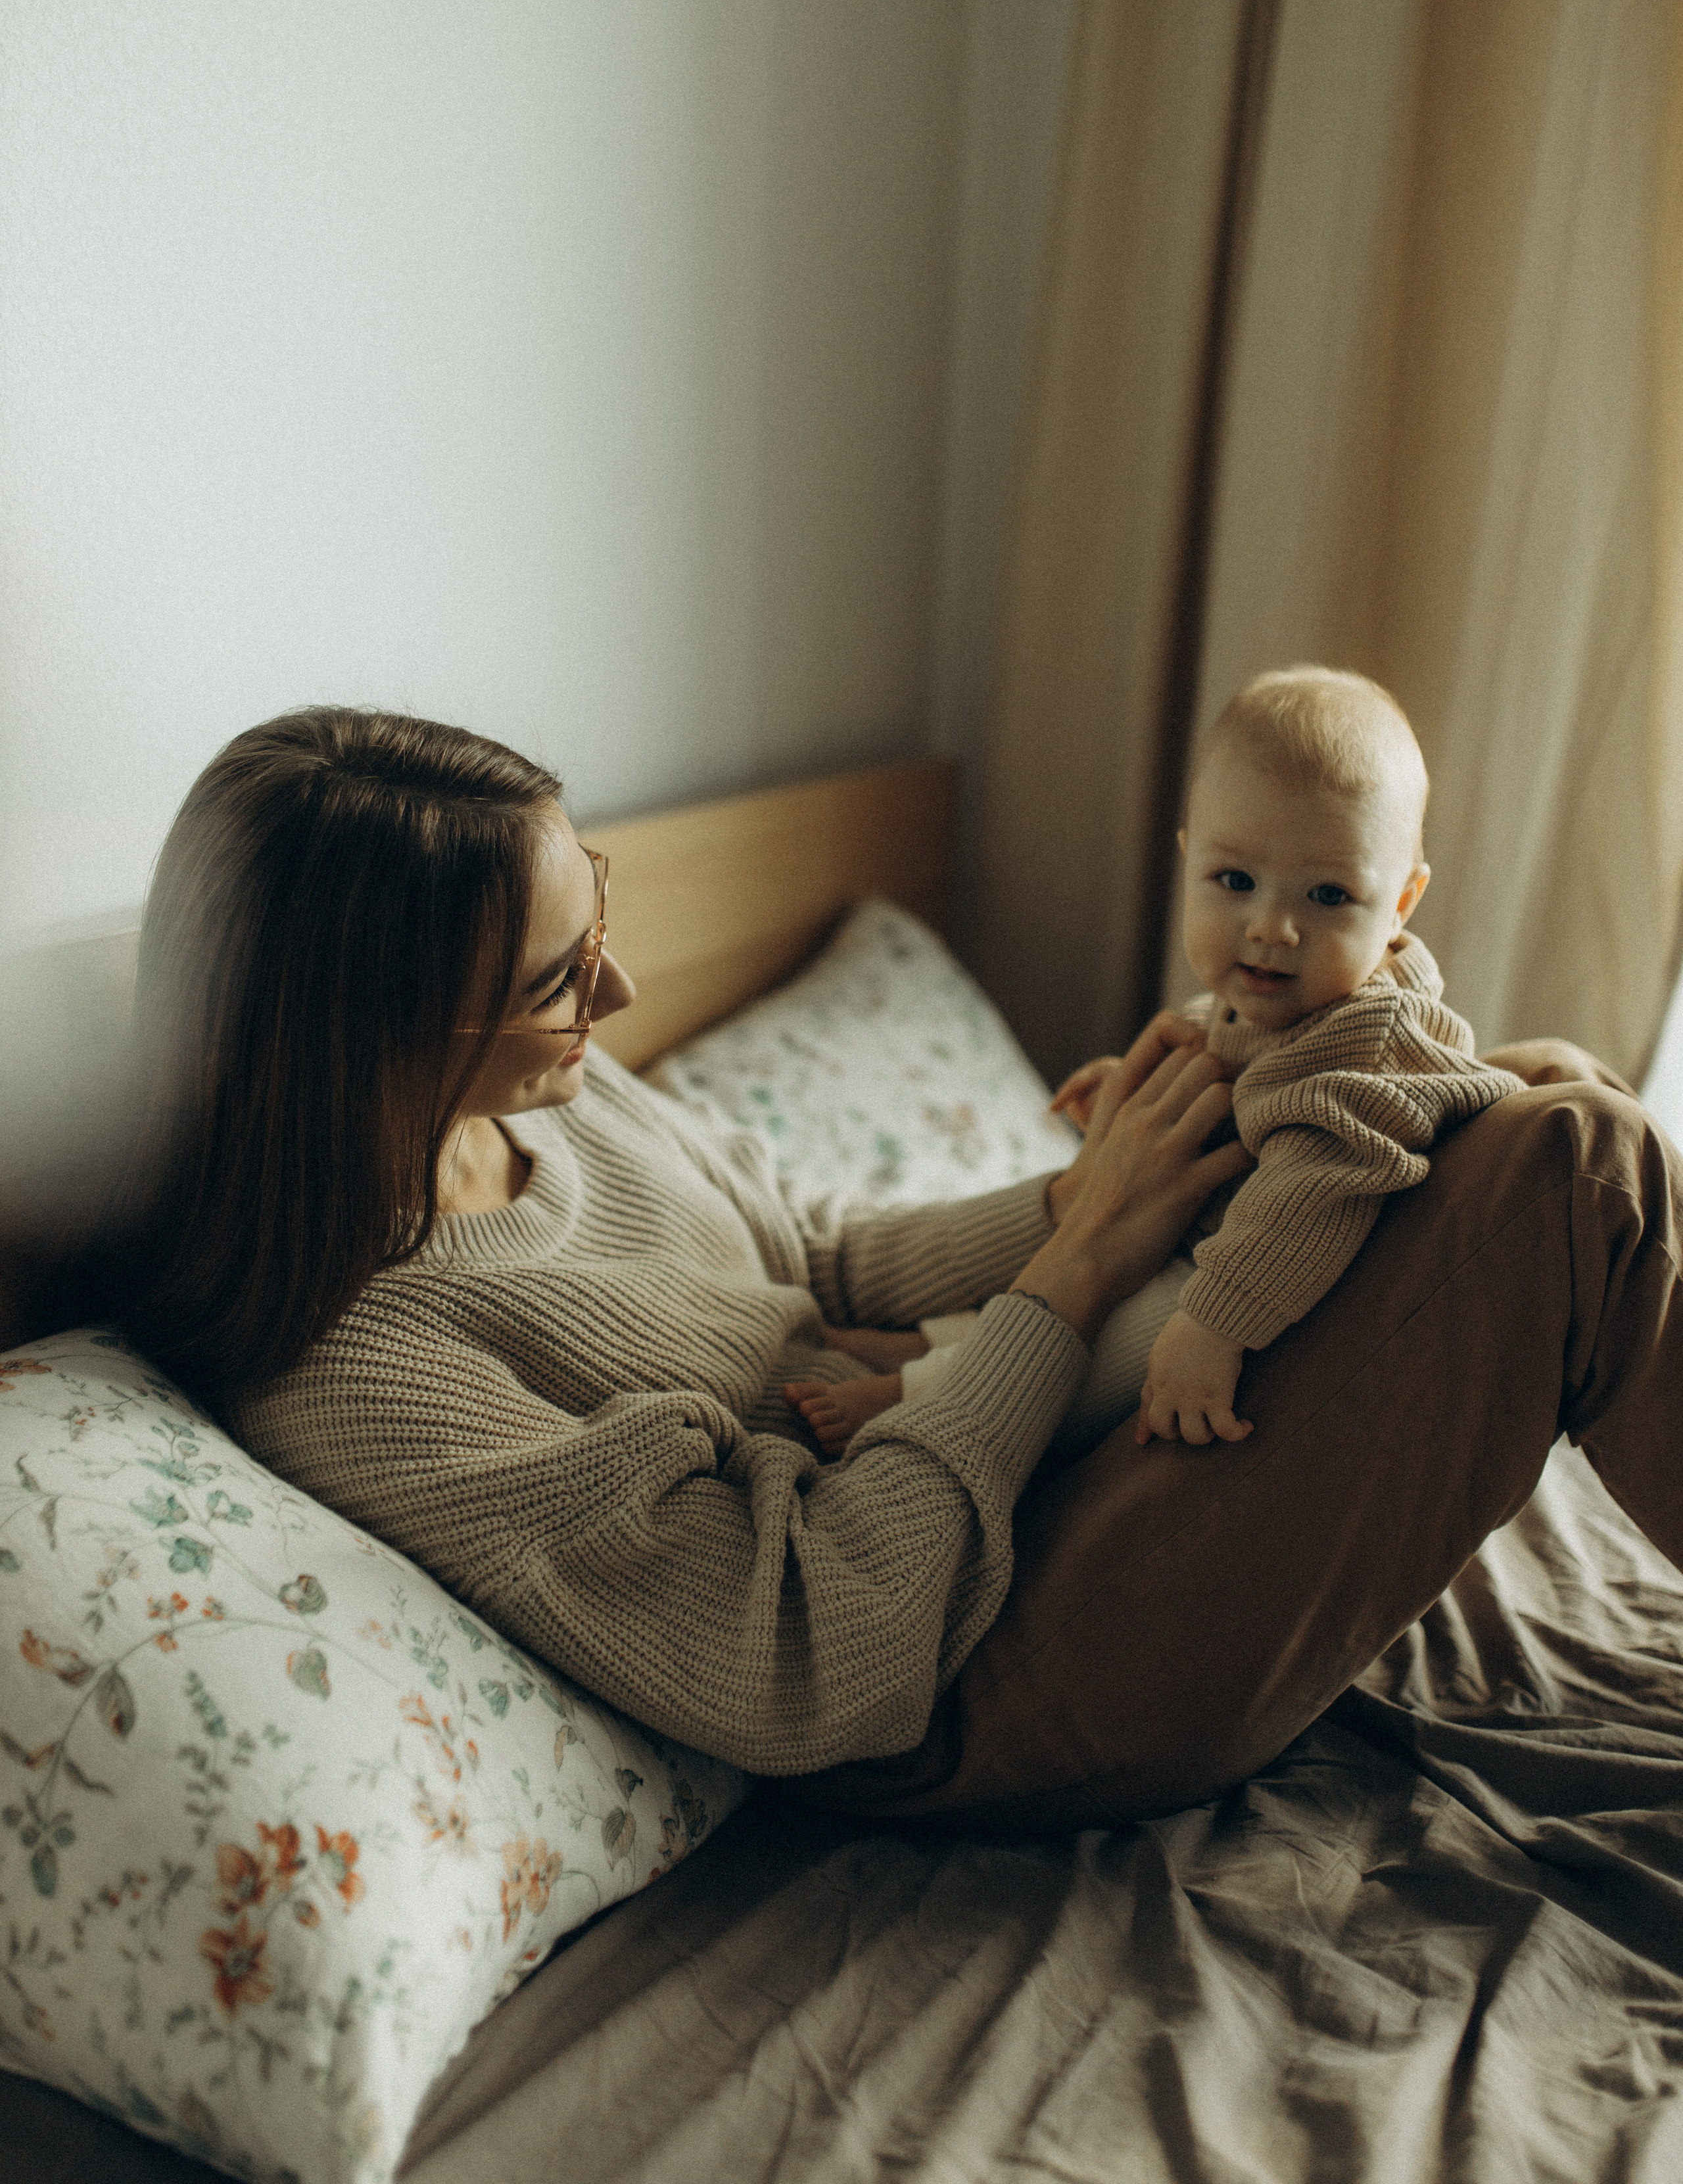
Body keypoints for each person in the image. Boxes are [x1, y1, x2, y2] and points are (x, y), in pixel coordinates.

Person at [101, 705, 1682, 1830]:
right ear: (377, 1037)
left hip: (975, 1474)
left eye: (601, 916)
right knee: (1573, 1172)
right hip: (958, 1659)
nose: (622, 983)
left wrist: (1107, 1178)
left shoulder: (536, 1087)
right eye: (558, 974)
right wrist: (1069, 1274)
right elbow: (801, 1651)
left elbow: (812, 1259)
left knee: (1526, 1082)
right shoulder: (359, 1361)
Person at [786, 666, 1523, 1458]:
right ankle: (932, 1343)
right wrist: (1124, 1083)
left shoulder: (1371, 1040)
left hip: (1301, 1277)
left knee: (1144, 1328)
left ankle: (916, 1394)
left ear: (1403, 903)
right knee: (1100, 1266)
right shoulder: (1284, 1001)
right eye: (1234, 881)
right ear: (1188, 861)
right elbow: (1238, 1060)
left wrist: (1215, 1326)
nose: (1272, 927)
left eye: (1329, 897)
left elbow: (1316, 1185)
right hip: (1224, 1232)